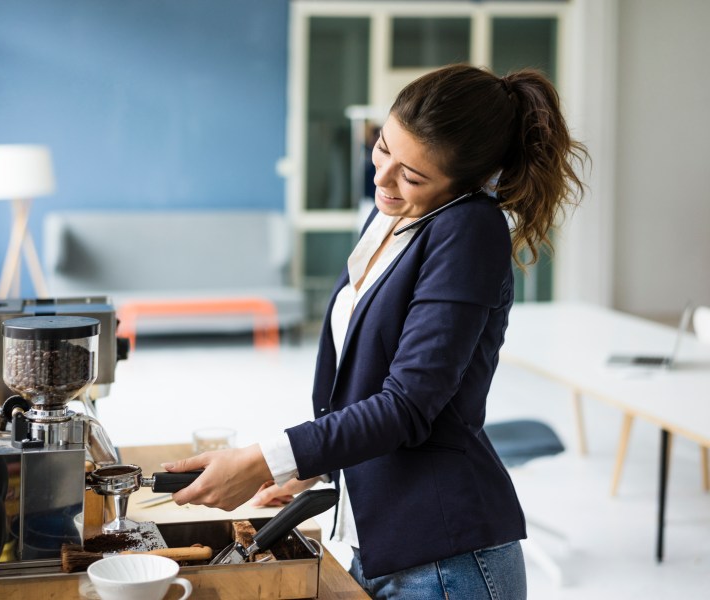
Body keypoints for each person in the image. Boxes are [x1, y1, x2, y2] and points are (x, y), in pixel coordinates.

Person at [162, 64, 588, 599]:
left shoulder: (469, 229)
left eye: (412, 175)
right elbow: (366, 379)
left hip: (446, 563)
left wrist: (262, 459)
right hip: (382, 541)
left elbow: (408, 405)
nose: (382, 179)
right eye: (382, 148)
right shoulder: (393, 218)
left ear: (468, 182)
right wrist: (312, 468)